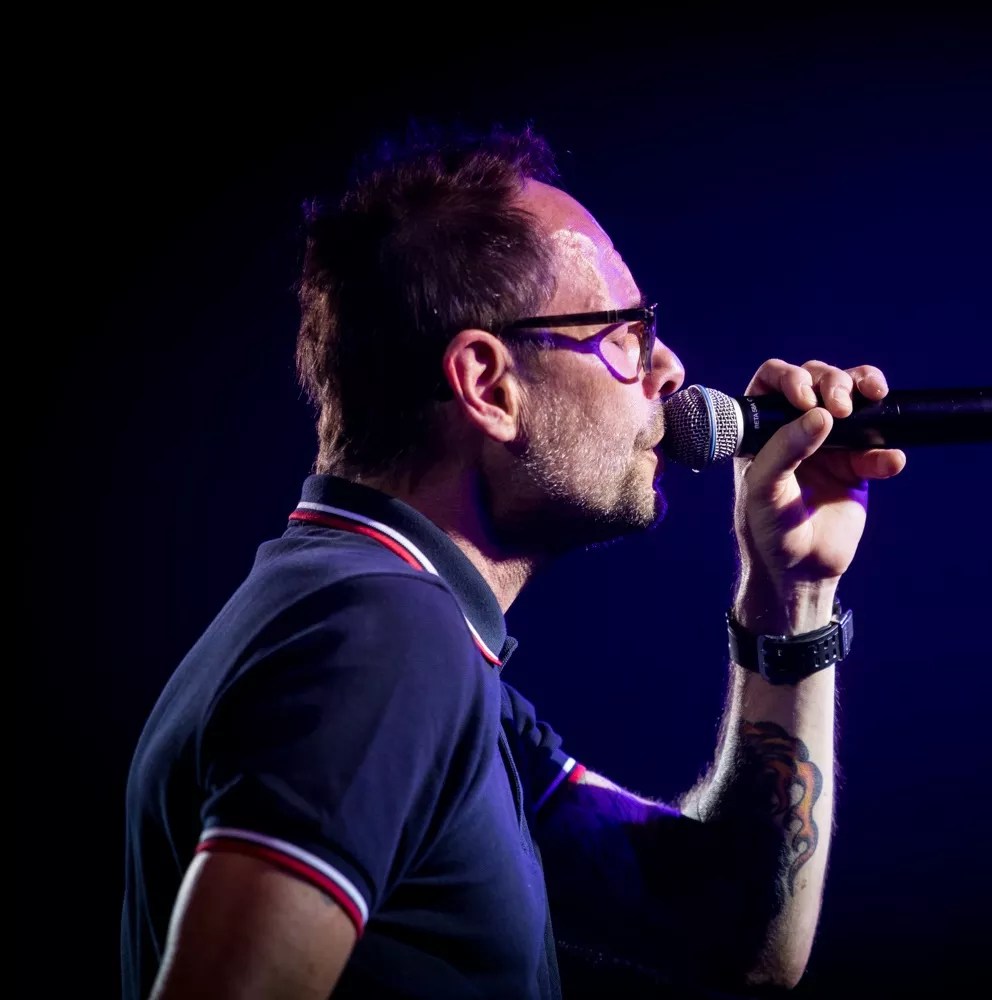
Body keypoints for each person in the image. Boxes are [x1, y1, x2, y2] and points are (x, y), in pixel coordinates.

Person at [120, 123, 907, 999]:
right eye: (625, 332)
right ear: (489, 386)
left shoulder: (391, 634)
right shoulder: (379, 638)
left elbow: (736, 933)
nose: (669, 369)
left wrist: (792, 592)